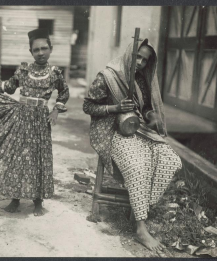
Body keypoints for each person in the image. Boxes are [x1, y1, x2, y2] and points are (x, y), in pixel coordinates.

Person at [0, 28, 69, 216]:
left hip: (40, 121)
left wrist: (56, 110)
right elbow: (7, 87)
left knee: (38, 158)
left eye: (44, 48)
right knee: (17, 158)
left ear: (51, 49)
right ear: (31, 52)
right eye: (36, 50)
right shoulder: (23, 70)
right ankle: (15, 199)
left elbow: (64, 93)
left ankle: (38, 201)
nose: (40, 53)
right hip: (20, 117)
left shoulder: (55, 73)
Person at [83, 39, 182, 251]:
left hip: (139, 131)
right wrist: (115, 108)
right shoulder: (107, 76)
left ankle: (141, 207)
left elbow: (144, 106)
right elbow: (88, 106)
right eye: (137, 57)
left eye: (145, 60)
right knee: (138, 167)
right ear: (129, 54)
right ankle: (140, 228)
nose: (139, 62)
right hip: (114, 132)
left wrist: (150, 114)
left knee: (171, 159)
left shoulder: (140, 79)